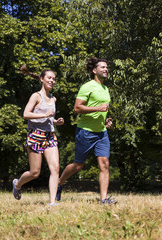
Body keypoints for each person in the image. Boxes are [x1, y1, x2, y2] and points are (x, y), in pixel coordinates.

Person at [56, 57, 117, 204]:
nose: (106, 69)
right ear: (94, 70)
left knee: (104, 164)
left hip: (101, 132)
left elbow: (102, 110)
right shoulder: (87, 86)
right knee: (78, 165)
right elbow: (77, 109)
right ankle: (58, 183)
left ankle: (103, 199)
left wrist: (106, 121)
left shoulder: (105, 88)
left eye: (106, 67)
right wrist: (98, 108)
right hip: (86, 131)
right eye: (102, 67)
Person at [12, 65, 64, 206]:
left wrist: (55, 121)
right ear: (42, 79)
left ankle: (52, 202)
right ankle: (17, 184)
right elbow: (26, 114)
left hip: (50, 136)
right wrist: (45, 114)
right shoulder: (36, 96)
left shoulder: (53, 99)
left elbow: (48, 118)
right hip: (35, 135)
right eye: (49, 78)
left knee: (55, 168)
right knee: (35, 172)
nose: (52, 81)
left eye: (54, 79)